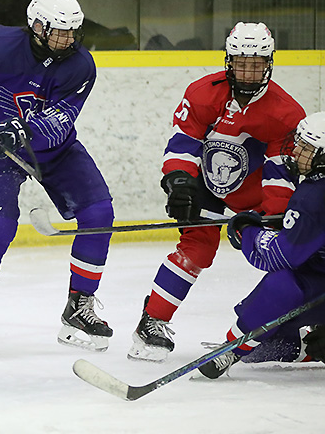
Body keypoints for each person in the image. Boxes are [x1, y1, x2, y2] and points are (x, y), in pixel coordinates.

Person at [0, 0, 114, 356]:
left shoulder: (81, 66)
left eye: (72, 32)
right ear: (37, 26)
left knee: (99, 213)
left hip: (56, 151)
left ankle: (79, 306)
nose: (67, 40)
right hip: (1, 151)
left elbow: (60, 120)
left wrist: (20, 130)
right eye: (59, 32)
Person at [128, 22, 306, 362]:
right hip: (207, 186)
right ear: (229, 61)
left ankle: (294, 331)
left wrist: (271, 217)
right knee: (197, 249)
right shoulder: (202, 94)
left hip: (255, 197)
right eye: (241, 63)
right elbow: (183, 144)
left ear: (269, 64)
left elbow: (278, 175)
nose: (248, 73)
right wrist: (179, 181)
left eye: (256, 65)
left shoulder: (285, 112)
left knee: (284, 255)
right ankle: (152, 322)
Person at [198, 112, 325, 378]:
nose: (296, 150)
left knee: (283, 286)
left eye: (306, 148)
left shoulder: (314, 196)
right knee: (272, 343)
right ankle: (306, 346)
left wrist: (248, 232)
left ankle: (232, 348)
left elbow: (282, 256)